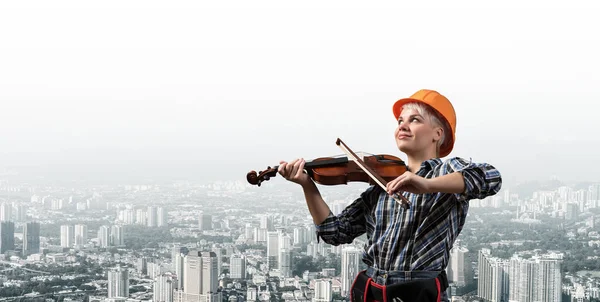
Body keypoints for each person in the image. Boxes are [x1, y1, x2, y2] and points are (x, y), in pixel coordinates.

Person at [277, 89, 502, 302]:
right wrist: (307, 184)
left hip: (416, 292)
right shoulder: (382, 184)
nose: (403, 125)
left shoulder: (447, 171)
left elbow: (490, 177)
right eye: (400, 121)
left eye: (415, 119)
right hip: (371, 290)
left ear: (437, 133)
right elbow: (334, 232)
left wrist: (427, 185)